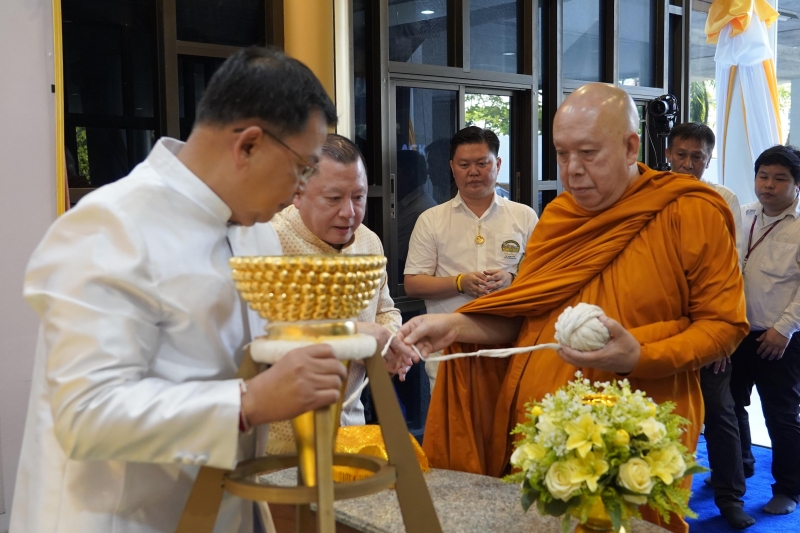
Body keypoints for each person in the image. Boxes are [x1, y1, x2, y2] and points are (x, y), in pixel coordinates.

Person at [11, 47, 348, 533]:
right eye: (302, 168)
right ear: (248, 145)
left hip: (221, 504)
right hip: (118, 516)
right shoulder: (110, 227)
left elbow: (250, 353)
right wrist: (247, 402)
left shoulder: (253, 228)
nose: (300, 191)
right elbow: (86, 414)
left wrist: (340, 338)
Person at [397, 83, 749, 533]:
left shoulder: (689, 211)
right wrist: (452, 325)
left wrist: (640, 356)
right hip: (543, 434)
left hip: (637, 431)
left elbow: (724, 324)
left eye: (588, 153)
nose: (572, 171)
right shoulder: (559, 219)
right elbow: (524, 324)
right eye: (562, 154)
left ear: (630, 146)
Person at [267, 133, 402, 437]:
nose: (349, 213)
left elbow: (385, 310)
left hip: (351, 423)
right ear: (297, 193)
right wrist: (351, 334)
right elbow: (263, 334)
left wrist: (389, 344)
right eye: (333, 198)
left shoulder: (369, 242)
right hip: (280, 434)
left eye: (358, 197)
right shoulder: (268, 242)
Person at [665, 123, 754, 529]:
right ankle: (657, 492)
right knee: (660, 413)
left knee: (720, 412)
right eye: (681, 155)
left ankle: (730, 498)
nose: (687, 164)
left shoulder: (723, 199)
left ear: (708, 159)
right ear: (668, 154)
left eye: (697, 157)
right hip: (659, 326)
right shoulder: (647, 194)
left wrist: (719, 338)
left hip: (707, 327)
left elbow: (729, 270)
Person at [403, 126, 538, 390]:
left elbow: (541, 277)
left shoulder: (524, 217)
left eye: (482, 163)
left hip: (509, 346)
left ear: (497, 164)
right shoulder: (432, 219)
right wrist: (459, 282)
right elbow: (413, 283)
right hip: (448, 350)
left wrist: (512, 278)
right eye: (464, 164)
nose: (473, 172)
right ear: (452, 167)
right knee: (452, 429)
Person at [730, 144, 800, 516]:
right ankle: (740, 467)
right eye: (763, 176)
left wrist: (784, 329)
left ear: (796, 184)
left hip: (779, 339)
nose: (768, 185)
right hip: (735, 332)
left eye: (779, 178)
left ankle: (788, 489)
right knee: (731, 405)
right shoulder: (741, 216)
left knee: (782, 415)